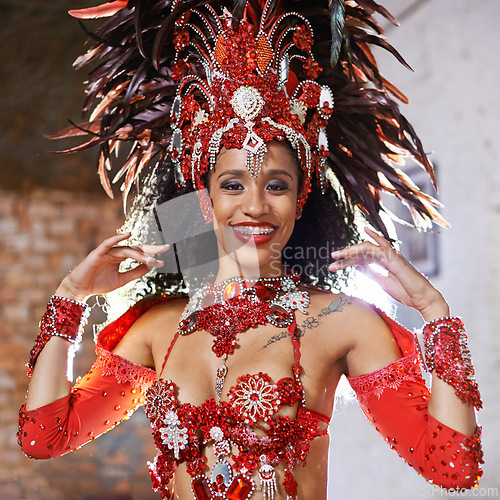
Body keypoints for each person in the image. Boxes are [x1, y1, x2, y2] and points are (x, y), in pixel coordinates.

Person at [17, 1, 483, 499]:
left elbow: (453, 465)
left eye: (277, 185)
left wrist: (434, 312)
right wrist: (70, 299)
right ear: (204, 201)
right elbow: (45, 437)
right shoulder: (157, 328)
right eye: (233, 185)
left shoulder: (345, 323)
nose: (255, 207)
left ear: (301, 199)